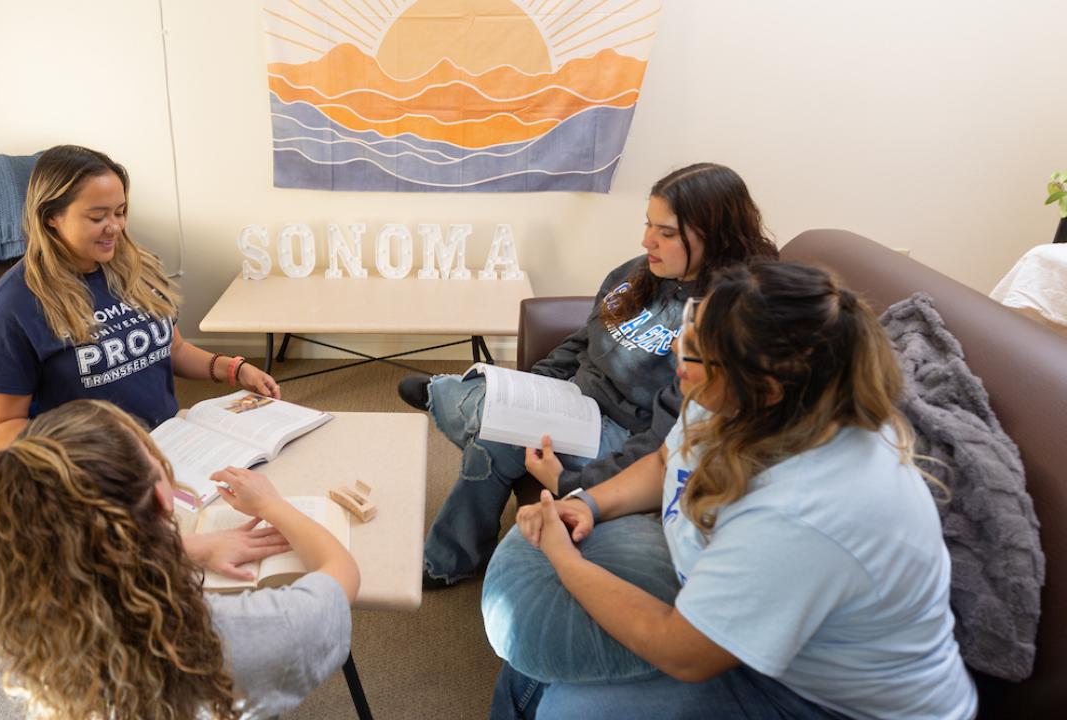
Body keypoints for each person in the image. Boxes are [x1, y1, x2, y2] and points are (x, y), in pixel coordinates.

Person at [489, 261, 977, 719]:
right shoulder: (740, 397)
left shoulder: (807, 511)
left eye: (696, 352)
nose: (677, 353)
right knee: (534, 664)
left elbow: (682, 652)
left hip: (823, 701)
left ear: (765, 387)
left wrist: (564, 559)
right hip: (765, 624)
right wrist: (591, 502)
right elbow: (668, 458)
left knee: (568, 709)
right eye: (689, 327)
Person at [398, 162, 779, 588]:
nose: (647, 240)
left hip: (623, 430)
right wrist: (532, 384)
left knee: (494, 434)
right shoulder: (641, 271)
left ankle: (451, 403)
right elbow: (585, 338)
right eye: (648, 224)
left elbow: (668, 439)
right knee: (499, 421)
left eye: (666, 233)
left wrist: (574, 483)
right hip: (575, 398)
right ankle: (465, 409)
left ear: (715, 234)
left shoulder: (719, 318)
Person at [0, 399, 360, 720]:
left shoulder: (39, 619)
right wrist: (273, 505)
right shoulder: (228, 636)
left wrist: (195, 547)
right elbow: (340, 576)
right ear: (161, 497)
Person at [0, 144, 280, 449]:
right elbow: (1, 428)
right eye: (97, 217)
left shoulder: (137, 268)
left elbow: (174, 350)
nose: (116, 227)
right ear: (51, 216)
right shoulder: (11, 308)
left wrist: (235, 369)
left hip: (167, 443)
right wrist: (85, 455)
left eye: (120, 212)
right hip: (94, 468)